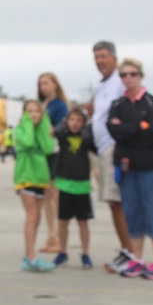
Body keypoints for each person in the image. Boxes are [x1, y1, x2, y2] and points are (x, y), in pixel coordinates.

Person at [107, 58, 153, 280]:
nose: (128, 78)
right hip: (126, 168)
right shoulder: (117, 105)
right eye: (124, 75)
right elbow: (114, 132)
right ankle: (137, 259)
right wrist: (138, 128)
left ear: (141, 76)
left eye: (132, 74)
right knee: (132, 212)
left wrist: (127, 129)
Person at [87, 41, 134, 274]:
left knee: (118, 202)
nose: (99, 61)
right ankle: (127, 250)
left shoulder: (118, 82)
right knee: (114, 202)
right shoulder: (103, 84)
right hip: (103, 150)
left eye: (104, 56)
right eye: (96, 57)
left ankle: (130, 252)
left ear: (114, 58)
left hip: (114, 148)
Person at [13, 100, 56, 272]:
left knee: (37, 217)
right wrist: (28, 124)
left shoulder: (42, 129)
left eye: (37, 111)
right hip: (26, 177)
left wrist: (44, 127)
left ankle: (29, 255)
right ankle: (30, 257)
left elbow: (48, 148)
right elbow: (28, 142)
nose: (34, 115)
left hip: (41, 178)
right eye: (30, 111)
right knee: (32, 216)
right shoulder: (21, 130)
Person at [52, 108, 96, 269]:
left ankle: (85, 253)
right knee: (63, 221)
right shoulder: (64, 136)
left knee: (83, 222)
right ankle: (62, 252)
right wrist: (64, 121)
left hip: (82, 185)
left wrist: (86, 128)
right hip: (65, 184)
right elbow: (56, 131)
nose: (75, 123)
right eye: (72, 120)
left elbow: (89, 141)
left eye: (79, 120)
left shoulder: (86, 138)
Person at [36, 72, 69, 254]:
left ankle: (56, 237)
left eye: (46, 83)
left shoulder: (60, 106)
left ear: (55, 84)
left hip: (55, 153)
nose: (43, 87)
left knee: (53, 198)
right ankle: (50, 235)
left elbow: (60, 128)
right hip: (42, 154)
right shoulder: (42, 105)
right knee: (46, 198)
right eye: (41, 84)